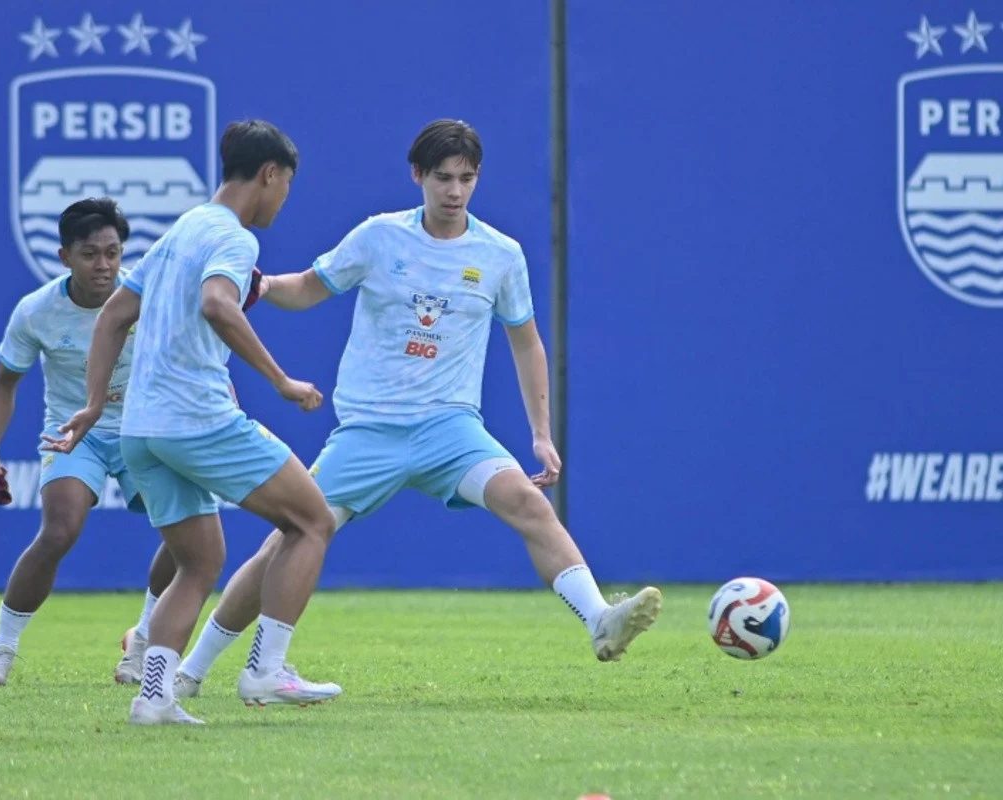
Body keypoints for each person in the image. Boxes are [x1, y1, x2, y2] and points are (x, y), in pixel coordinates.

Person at [170, 119, 663, 697]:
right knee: (289, 539)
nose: (455, 191)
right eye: (443, 178)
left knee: (528, 503)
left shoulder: (501, 255)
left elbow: (527, 342)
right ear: (417, 176)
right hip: (369, 430)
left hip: (450, 429)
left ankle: (601, 619)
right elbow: (309, 286)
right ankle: (192, 671)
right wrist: (262, 285)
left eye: (466, 179)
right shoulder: (379, 236)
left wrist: (541, 433)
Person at [46, 119, 341, 726]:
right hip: (197, 419)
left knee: (199, 562)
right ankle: (267, 669)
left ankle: (154, 698)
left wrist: (96, 404)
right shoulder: (234, 238)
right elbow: (217, 303)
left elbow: (113, 316)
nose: (284, 199)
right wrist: (281, 380)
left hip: (141, 429)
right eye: (287, 185)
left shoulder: (181, 229)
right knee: (312, 520)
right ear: (270, 175)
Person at [0, 197, 175, 687]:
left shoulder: (148, 297)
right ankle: (1, 650)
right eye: (90, 254)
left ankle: (141, 644)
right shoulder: (36, 312)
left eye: (113, 252)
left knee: (186, 535)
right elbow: (4, 385)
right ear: (64, 257)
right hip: (73, 435)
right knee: (59, 531)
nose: (104, 265)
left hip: (143, 429)